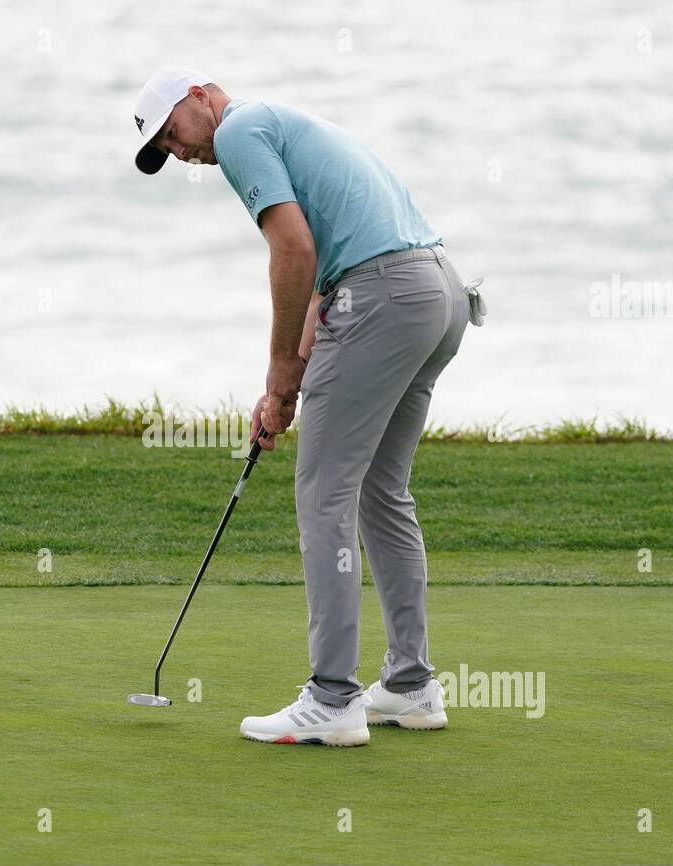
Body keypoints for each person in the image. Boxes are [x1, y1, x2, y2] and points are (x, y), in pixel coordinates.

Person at [132, 68, 474, 746]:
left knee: (324, 493)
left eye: (174, 132)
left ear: (200, 95)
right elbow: (326, 271)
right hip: (439, 293)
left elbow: (292, 249)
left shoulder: (238, 132)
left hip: (383, 296)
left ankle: (332, 697)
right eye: (165, 150)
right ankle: (410, 685)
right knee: (382, 490)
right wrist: (283, 390)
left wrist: (280, 368)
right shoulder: (281, 122)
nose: (180, 151)